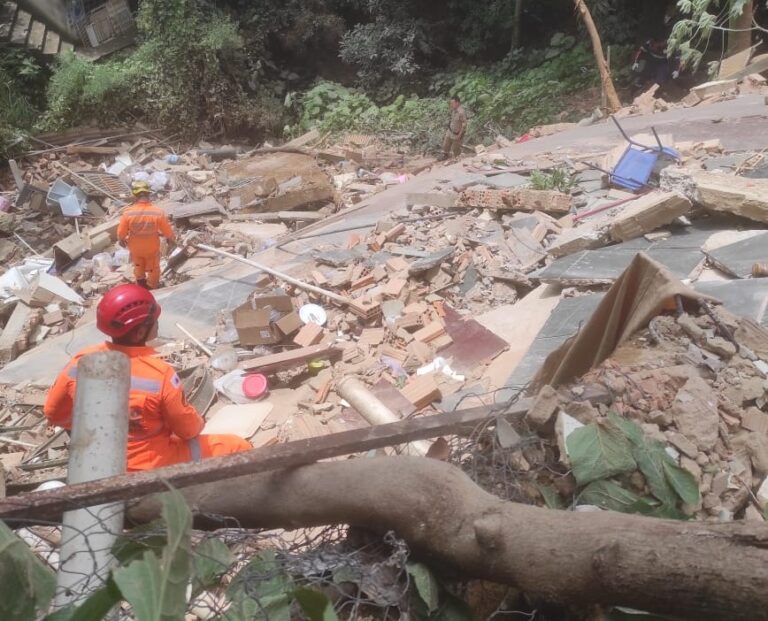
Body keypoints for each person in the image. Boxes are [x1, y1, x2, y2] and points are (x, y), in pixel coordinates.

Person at [44, 284, 252, 472]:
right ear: (140, 332)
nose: (158, 324)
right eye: (154, 321)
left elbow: (54, 413)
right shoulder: (159, 375)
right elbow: (188, 430)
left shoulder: (80, 362)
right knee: (236, 445)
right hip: (149, 466)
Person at [118, 180, 175, 290]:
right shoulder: (157, 212)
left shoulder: (128, 213)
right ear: (149, 194)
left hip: (135, 247)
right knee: (153, 268)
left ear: (135, 196)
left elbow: (121, 233)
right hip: (151, 247)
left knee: (138, 265)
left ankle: (141, 285)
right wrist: (171, 239)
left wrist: (121, 239)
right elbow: (167, 231)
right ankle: (152, 286)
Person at [441, 96, 467, 160]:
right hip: (450, 131)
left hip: (457, 134)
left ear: (457, 103)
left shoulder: (461, 112)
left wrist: (459, 135)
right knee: (446, 144)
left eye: (452, 103)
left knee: (456, 149)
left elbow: (464, 125)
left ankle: (457, 159)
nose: (451, 105)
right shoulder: (453, 110)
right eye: (451, 103)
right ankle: (445, 155)